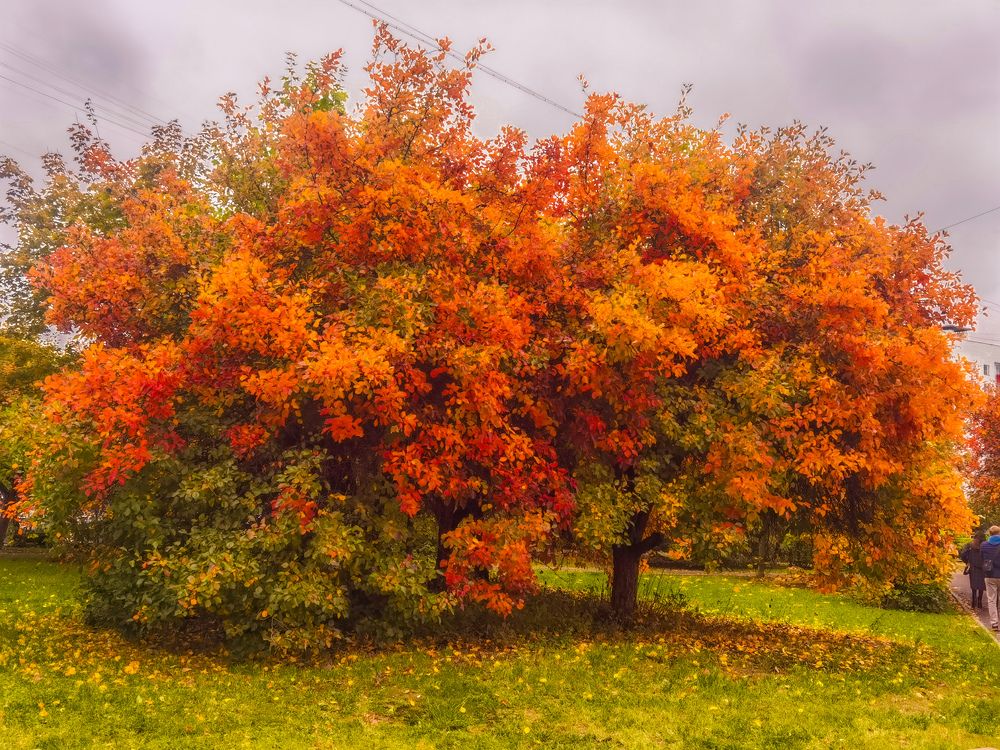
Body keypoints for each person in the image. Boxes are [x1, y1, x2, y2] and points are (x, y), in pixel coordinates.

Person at [960, 531, 986, 609]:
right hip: (982, 568)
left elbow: (963, 555)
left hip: (973, 568)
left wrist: (967, 561)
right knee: (981, 585)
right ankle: (979, 602)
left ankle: (973, 603)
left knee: (974, 585)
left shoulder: (970, 545)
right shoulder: (985, 545)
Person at [980, 526, 1000, 630]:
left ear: (990, 534)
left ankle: (994, 623)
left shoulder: (984, 545)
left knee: (992, 599)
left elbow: (982, 558)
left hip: (990, 576)